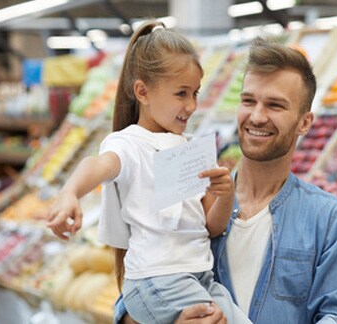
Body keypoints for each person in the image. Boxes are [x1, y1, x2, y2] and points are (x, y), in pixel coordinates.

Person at [116, 37, 337, 324]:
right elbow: (135, 297)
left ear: (304, 122)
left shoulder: (330, 221)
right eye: (248, 101)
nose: (257, 117)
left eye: (275, 105)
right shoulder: (191, 198)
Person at [46, 20, 250, 324]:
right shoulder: (128, 144)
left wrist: (224, 194)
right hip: (157, 280)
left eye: (195, 93)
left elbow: (211, 227)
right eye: (181, 93)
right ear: (142, 91)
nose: (192, 105)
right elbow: (97, 164)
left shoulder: (189, 148)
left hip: (198, 277)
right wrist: (69, 193)